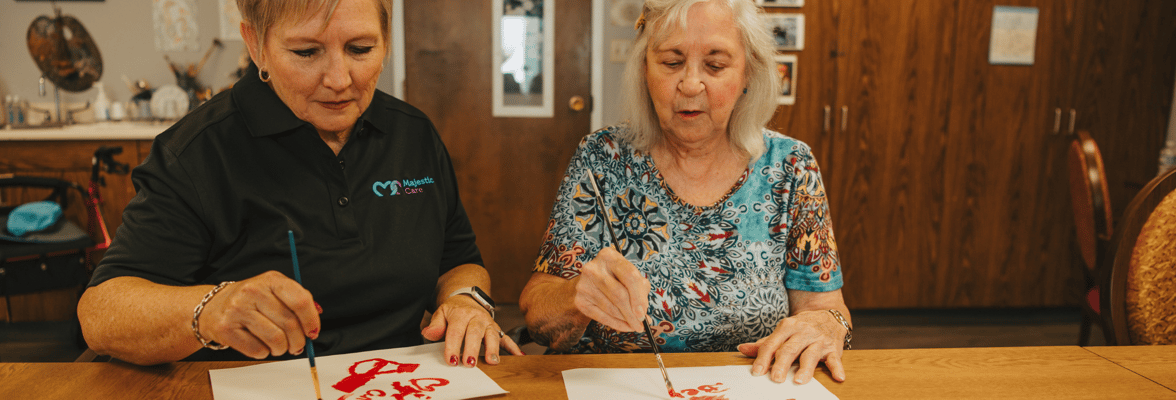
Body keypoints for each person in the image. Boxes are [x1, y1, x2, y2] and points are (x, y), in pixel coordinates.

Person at [77, 0, 521, 366]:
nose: (339, 79)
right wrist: (210, 309)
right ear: (257, 45)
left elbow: (458, 260)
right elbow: (101, 313)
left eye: (361, 49)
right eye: (306, 53)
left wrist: (466, 299)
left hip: (404, 380)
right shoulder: (196, 153)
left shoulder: (413, 133)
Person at [519, 0, 850, 385]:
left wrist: (825, 325)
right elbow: (538, 315)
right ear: (645, 70)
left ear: (748, 73)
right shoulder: (601, 158)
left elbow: (826, 307)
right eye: (672, 62)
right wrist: (575, 297)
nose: (691, 84)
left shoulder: (791, 166)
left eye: (715, 65)